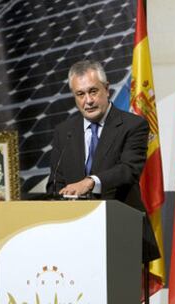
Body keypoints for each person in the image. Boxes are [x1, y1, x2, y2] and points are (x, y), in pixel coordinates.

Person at [47, 60, 159, 261]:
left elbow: (129, 170)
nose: (87, 100)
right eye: (80, 94)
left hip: (121, 234)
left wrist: (90, 182)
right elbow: (55, 183)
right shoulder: (64, 132)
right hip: (75, 240)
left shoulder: (133, 125)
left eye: (93, 91)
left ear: (106, 90)